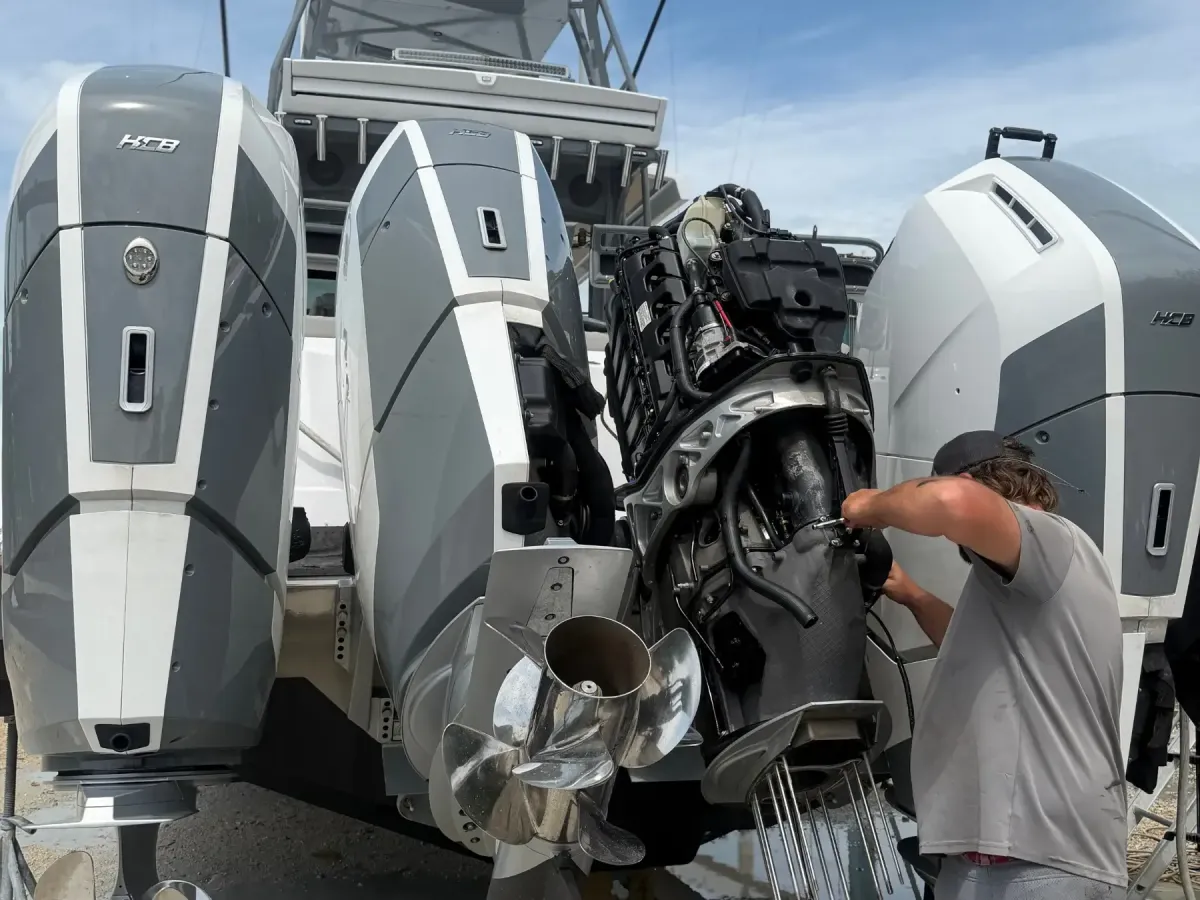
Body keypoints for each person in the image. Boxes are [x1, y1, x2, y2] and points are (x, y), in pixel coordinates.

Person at [840, 430, 1127, 900]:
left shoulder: (1048, 539)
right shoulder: (1025, 578)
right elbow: (976, 650)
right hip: (1000, 860)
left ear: (978, 482)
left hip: (1037, 864)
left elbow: (954, 502)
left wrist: (866, 507)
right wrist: (911, 595)